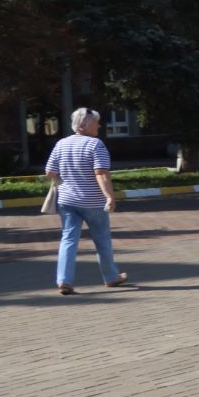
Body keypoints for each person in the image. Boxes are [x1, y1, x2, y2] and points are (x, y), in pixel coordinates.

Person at [43, 107, 129, 295]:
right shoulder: (95, 145)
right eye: (96, 122)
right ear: (84, 125)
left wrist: (66, 181)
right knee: (102, 239)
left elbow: (50, 171)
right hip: (93, 202)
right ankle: (111, 277)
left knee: (68, 239)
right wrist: (109, 196)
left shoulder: (61, 144)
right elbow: (101, 173)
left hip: (66, 201)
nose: (99, 125)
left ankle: (64, 280)